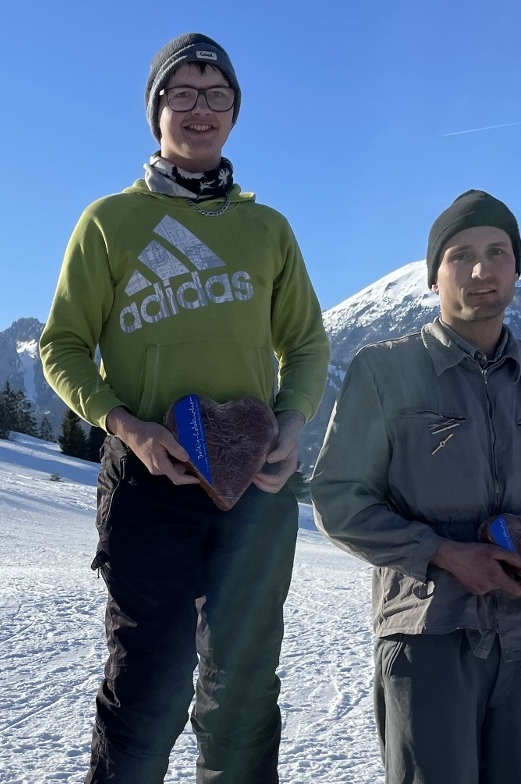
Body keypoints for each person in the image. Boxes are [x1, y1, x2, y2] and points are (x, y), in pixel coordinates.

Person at [39, 33, 329, 783]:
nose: (200, 110)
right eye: (182, 94)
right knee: (147, 683)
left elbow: (305, 347)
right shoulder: (109, 221)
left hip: (256, 490)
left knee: (244, 684)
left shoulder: (267, 230)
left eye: (217, 95)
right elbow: (64, 347)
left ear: (234, 113)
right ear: (154, 111)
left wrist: (291, 426)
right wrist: (126, 426)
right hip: (150, 479)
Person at [310, 189, 521, 784]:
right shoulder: (384, 371)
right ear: (434, 277)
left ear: (516, 269)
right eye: (460, 256)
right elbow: (337, 497)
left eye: (497, 252)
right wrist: (445, 554)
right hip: (430, 633)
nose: (481, 270)